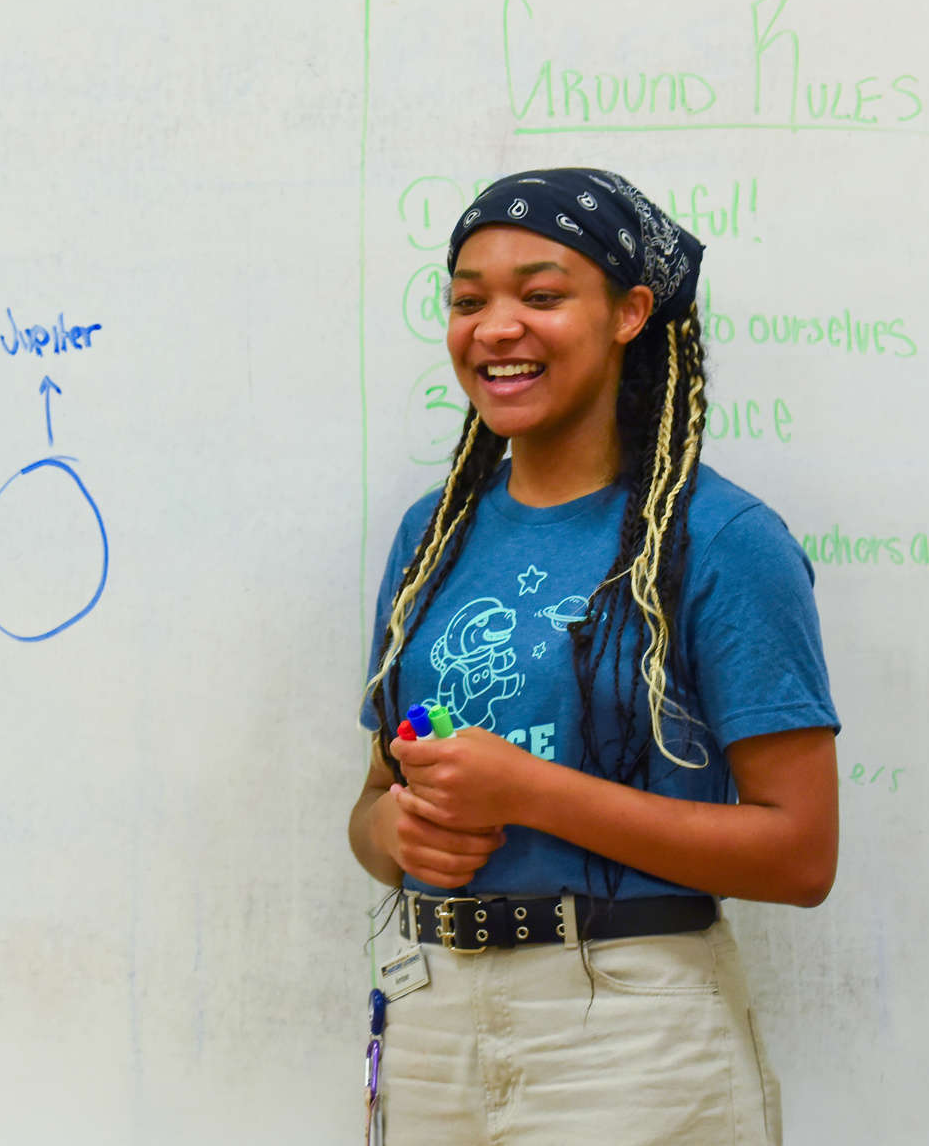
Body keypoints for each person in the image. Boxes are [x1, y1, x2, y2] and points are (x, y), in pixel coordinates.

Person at [347, 168, 839, 1144]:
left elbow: (801, 853)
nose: (496, 328)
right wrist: (396, 835)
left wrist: (528, 791)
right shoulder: (431, 535)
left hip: (630, 1030)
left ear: (629, 313)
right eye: (468, 302)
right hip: (432, 1015)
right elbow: (372, 802)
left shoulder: (720, 540)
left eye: (540, 295)